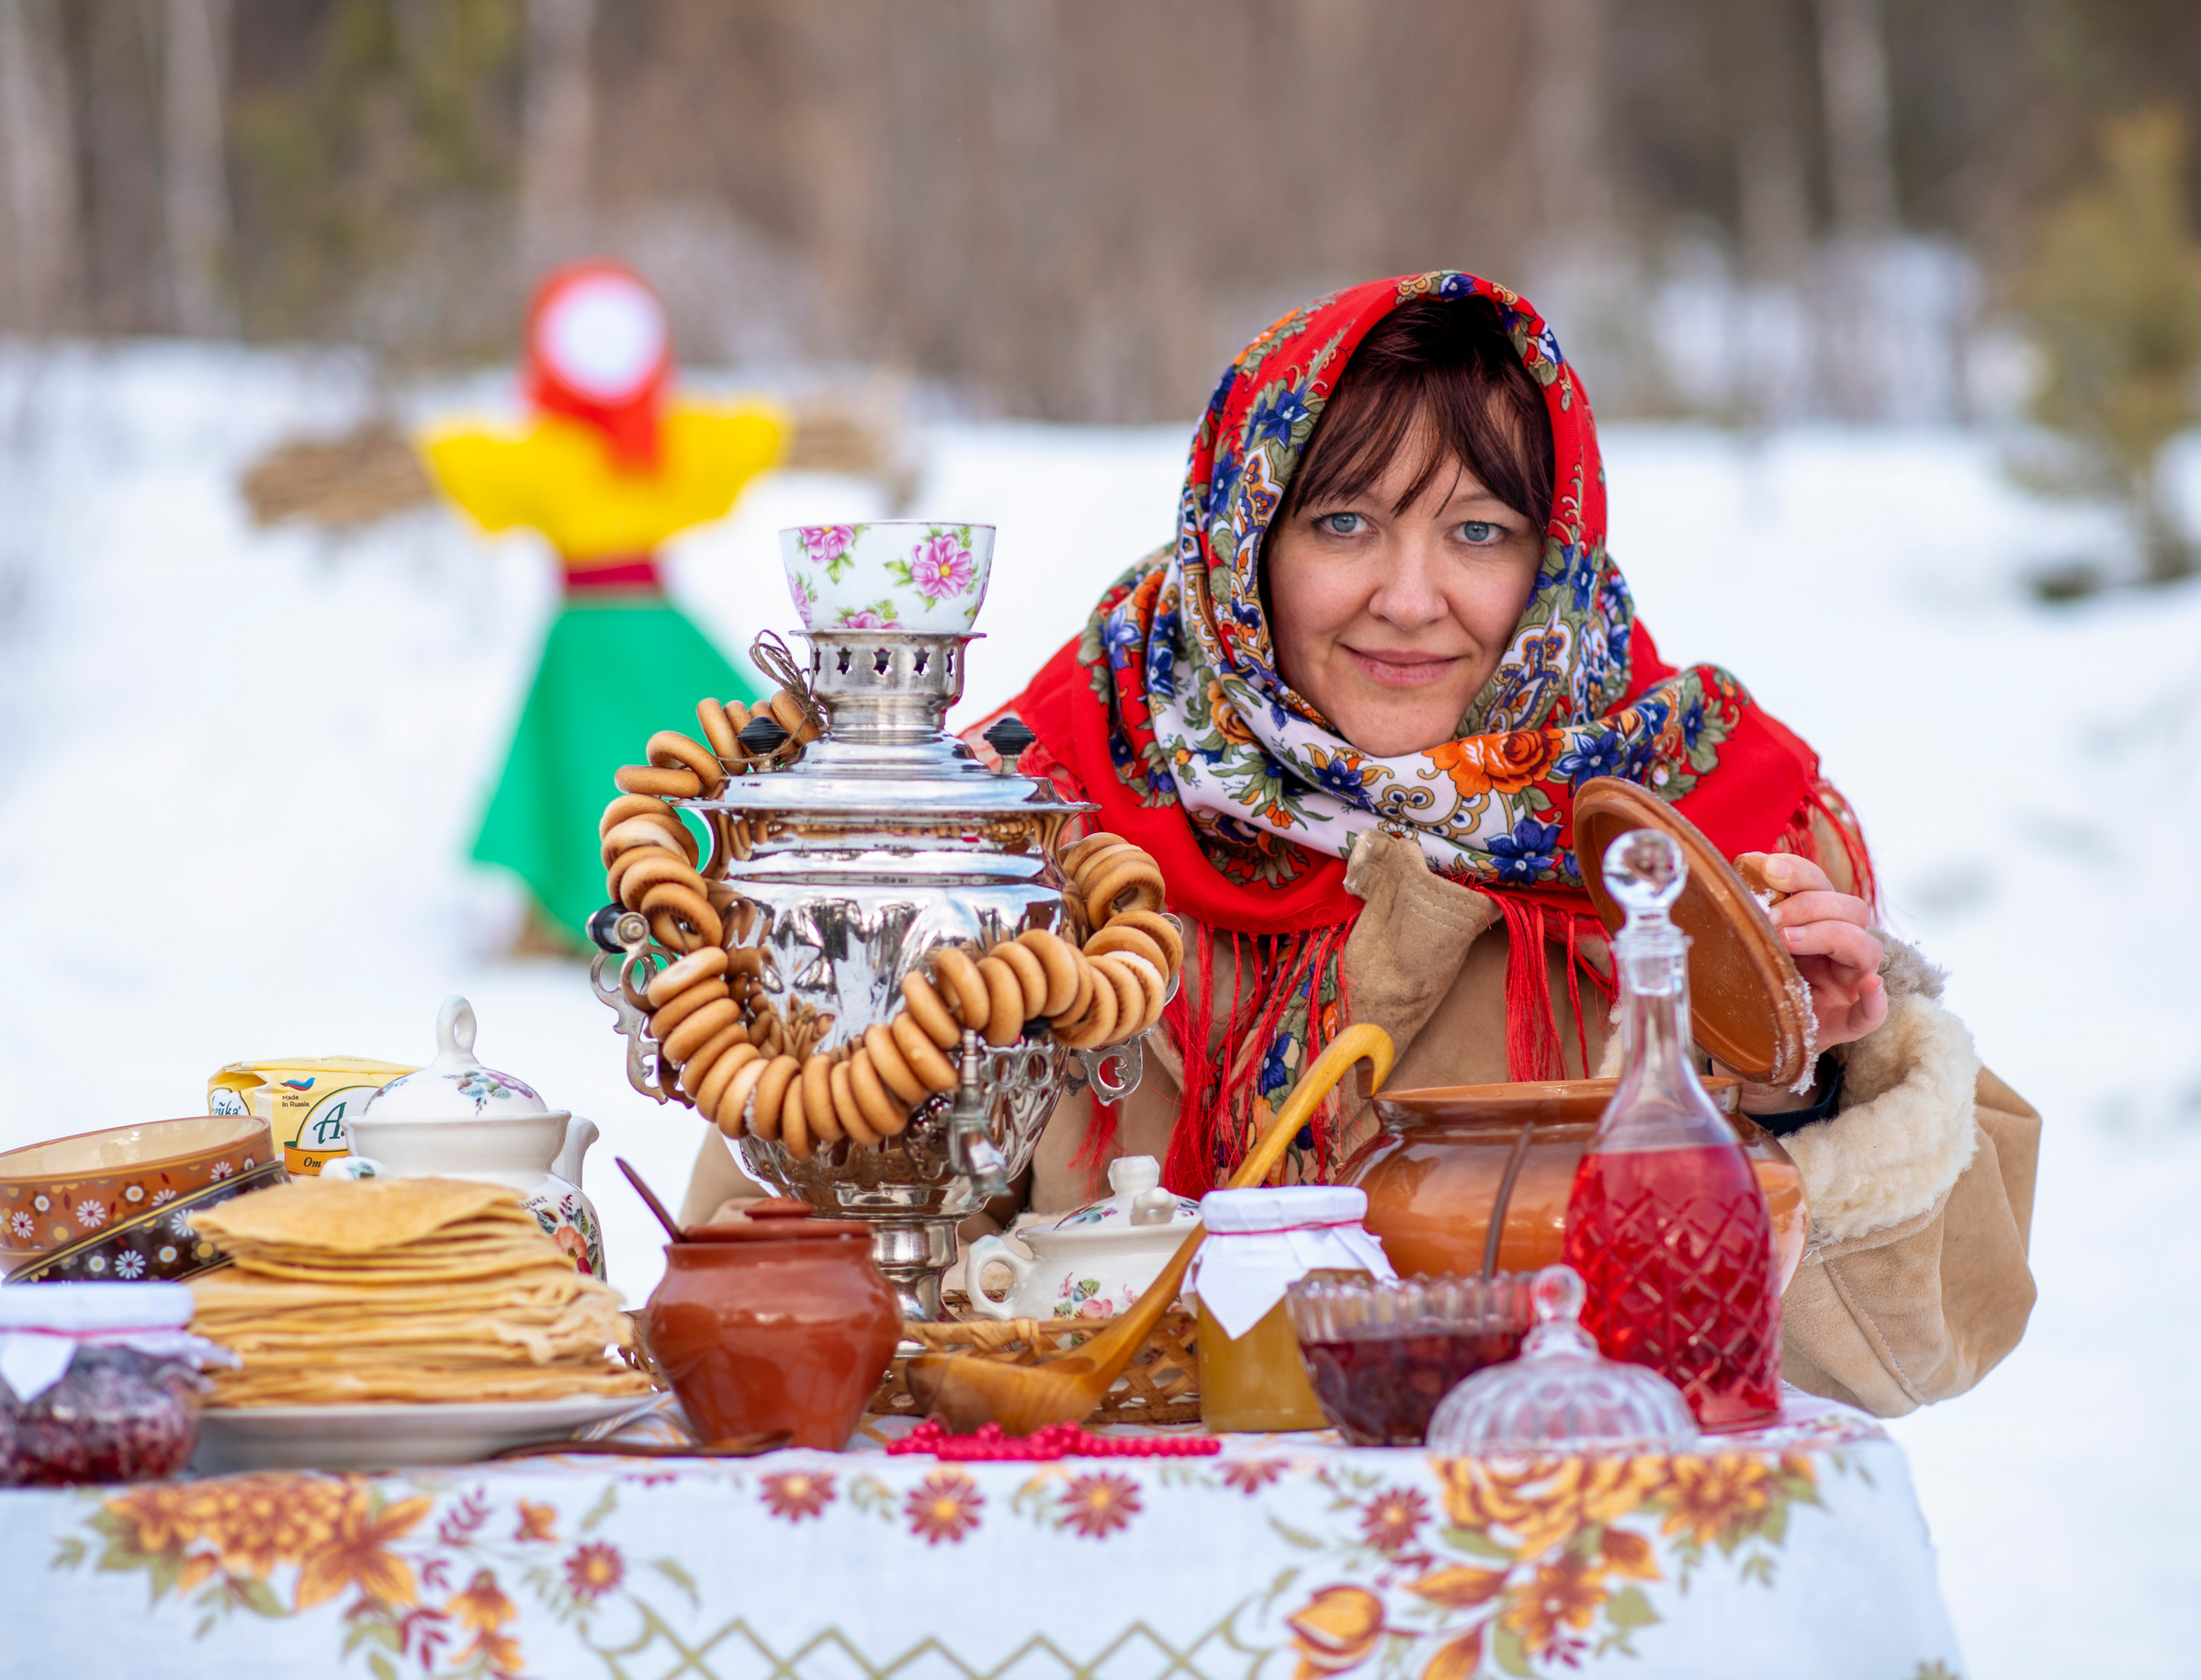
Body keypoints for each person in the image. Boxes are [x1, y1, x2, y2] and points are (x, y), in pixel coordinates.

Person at [682, 272, 2037, 1416]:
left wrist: (1810, 1081)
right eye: (1342, 521)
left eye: (1480, 532)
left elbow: (1911, 1354)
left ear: (1554, 555)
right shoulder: (1037, 823)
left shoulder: (1693, 832)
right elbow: (797, 1300)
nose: (1409, 598)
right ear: (1244, 535)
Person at [423, 263, 788, 946]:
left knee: (593, 767)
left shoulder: (560, 452)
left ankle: (646, 906)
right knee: (667, 757)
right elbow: (751, 435)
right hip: (643, 629)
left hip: (593, 631)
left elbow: (459, 457)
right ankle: (660, 904)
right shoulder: (637, 447)